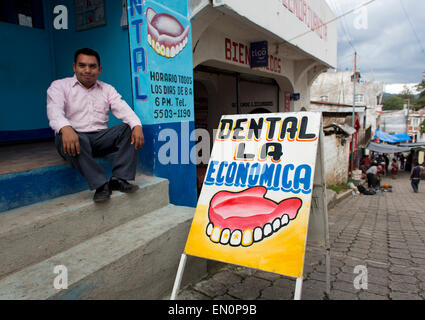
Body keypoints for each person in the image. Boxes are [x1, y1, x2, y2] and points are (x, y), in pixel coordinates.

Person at [47, 48, 144, 202]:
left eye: (92, 66)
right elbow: (54, 110)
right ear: (74, 67)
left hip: (99, 139)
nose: (87, 70)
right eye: (82, 65)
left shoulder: (107, 89)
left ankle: (119, 179)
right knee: (72, 135)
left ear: (99, 70)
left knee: (128, 129)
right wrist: (65, 128)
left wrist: (136, 126)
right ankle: (100, 185)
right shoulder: (59, 86)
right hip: (72, 139)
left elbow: (123, 108)